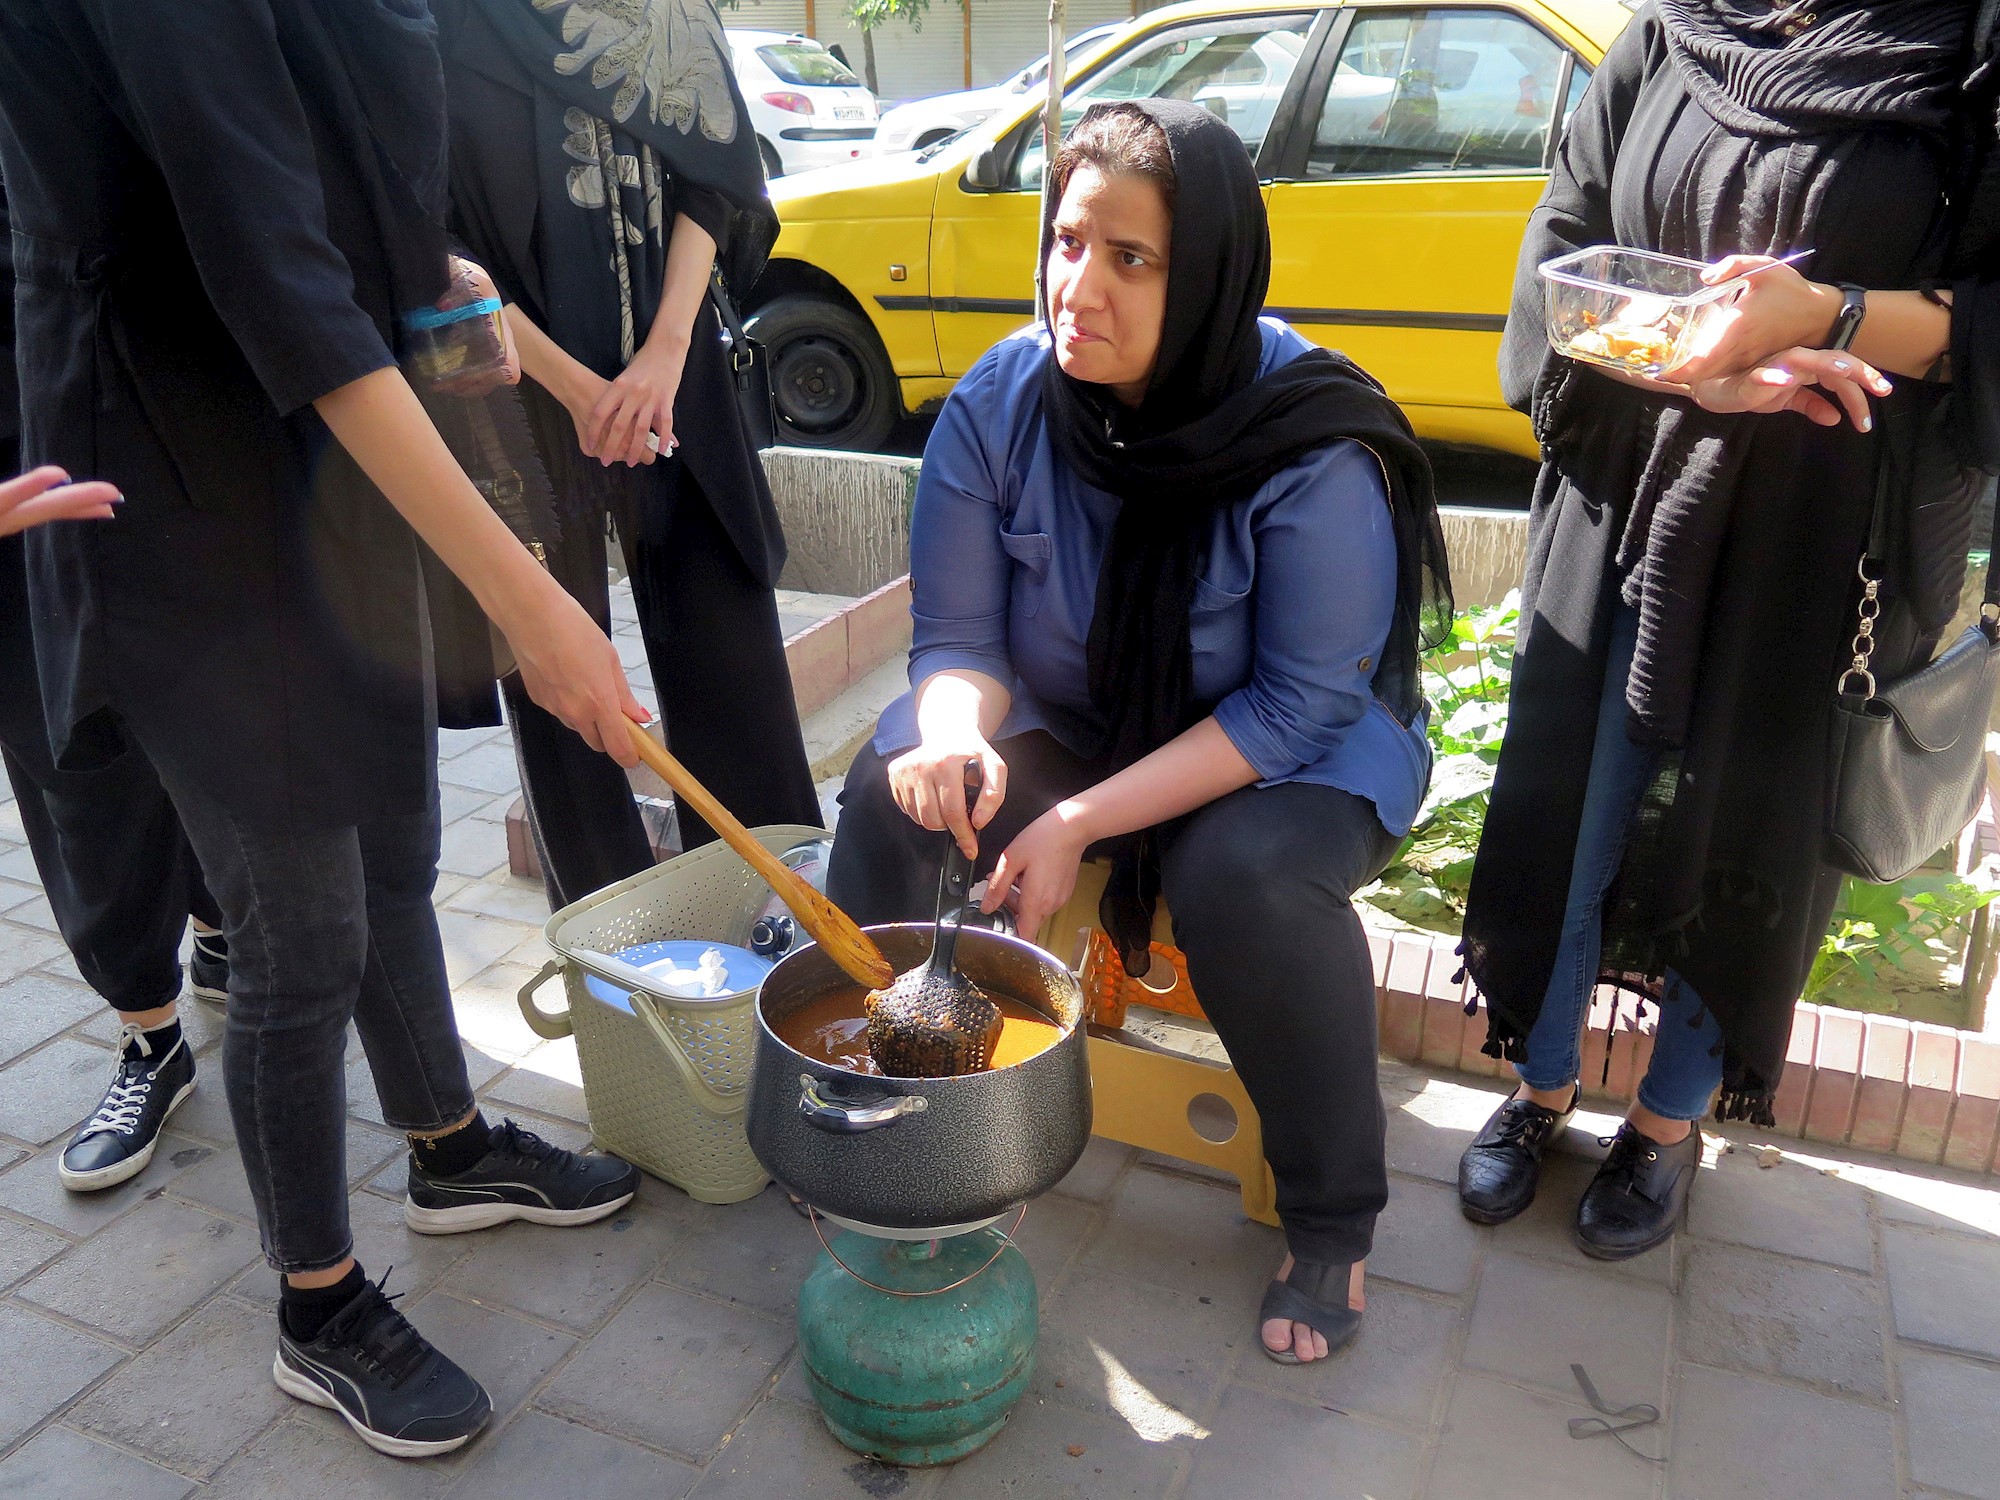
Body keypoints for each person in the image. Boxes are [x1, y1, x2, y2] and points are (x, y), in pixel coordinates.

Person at [0, 0, 650, 1458]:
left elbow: (344, 179)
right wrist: (535, 606)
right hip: (174, 484)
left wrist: (439, 284)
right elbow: (268, 262)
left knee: (400, 846)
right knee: (301, 932)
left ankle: (448, 1147)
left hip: (335, 449)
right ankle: (319, 1302)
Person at [827, 100, 1454, 1366]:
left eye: (1130, 258)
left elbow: (1295, 704)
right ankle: (875, 1101)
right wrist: (952, 732)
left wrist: (1075, 820)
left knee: (1245, 879)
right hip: (1083, 716)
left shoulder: (1310, 441)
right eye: (1066, 242)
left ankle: (1331, 1215)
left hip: (1291, 748)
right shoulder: (1002, 402)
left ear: (1208, 273)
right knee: (892, 784)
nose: (1078, 288)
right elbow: (959, 642)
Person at [1457, 0, 2000, 1260]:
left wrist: (1826, 316)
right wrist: (1684, 367)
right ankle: (1538, 1084)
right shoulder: (1672, 33)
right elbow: (1563, 248)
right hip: (1622, 501)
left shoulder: (1967, 56)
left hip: (1822, 547)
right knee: (1573, 813)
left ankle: (1664, 1123)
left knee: (1744, 834)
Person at [430, 0, 821, 909]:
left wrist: (665, 356)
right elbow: (422, 233)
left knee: (735, 672)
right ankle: (622, 975)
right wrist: (574, 386)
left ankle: (780, 930)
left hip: (675, 376)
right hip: (510, 395)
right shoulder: (436, 18)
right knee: (564, 705)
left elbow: (716, 174)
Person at [0, 187, 230, 1195]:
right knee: (69, 757)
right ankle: (151, 1034)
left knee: (206, 712)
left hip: (138, 408)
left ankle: (223, 933)